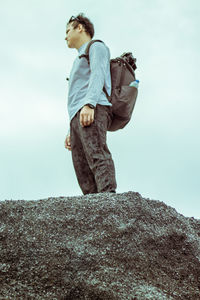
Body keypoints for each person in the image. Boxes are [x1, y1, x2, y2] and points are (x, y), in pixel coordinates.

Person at [64, 13, 117, 195]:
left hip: (92, 108)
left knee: (96, 154)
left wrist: (90, 104)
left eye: (68, 30)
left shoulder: (96, 47)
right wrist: (71, 128)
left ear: (80, 28)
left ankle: (108, 199)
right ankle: (93, 211)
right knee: (82, 168)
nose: (65, 36)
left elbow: (98, 75)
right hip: (77, 115)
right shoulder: (78, 59)